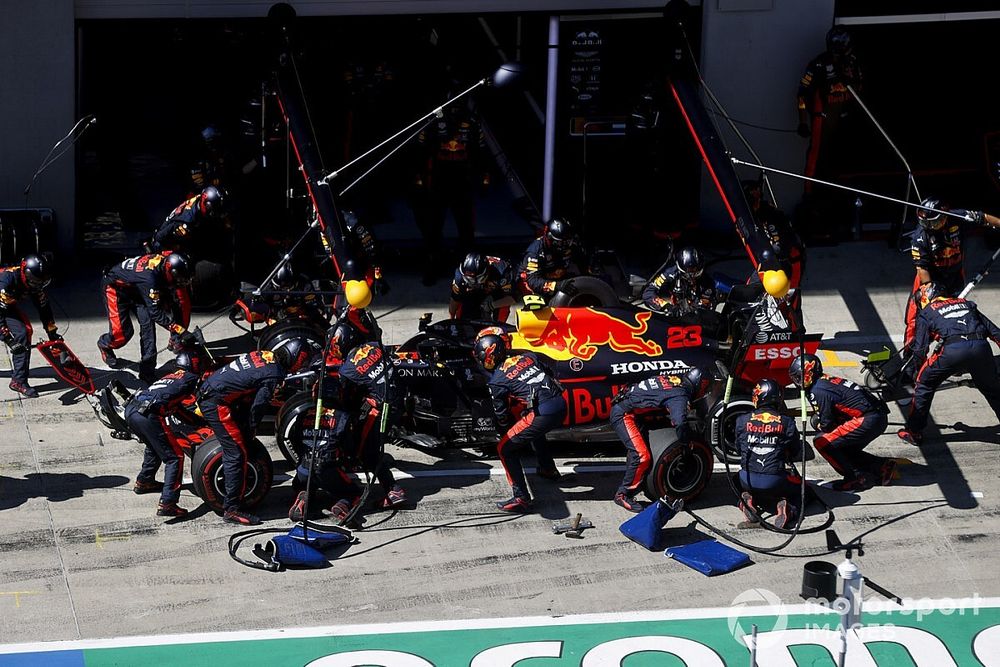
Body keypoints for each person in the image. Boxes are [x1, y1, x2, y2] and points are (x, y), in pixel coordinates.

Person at [198, 338, 313, 525]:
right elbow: (259, 406)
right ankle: (231, 509)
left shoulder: (264, 354)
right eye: (303, 361)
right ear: (296, 359)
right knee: (236, 453)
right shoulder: (273, 373)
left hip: (214, 389)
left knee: (240, 442)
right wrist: (252, 428)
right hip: (216, 402)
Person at [898, 283, 1000, 446]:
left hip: (952, 352)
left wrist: (915, 372)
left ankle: (914, 431)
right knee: (993, 390)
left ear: (926, 297)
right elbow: (995, 333)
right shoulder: (967, 304)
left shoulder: (927, 312)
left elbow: (920, 349)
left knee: (924, 384)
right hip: (981, 348)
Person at [476, 331, 566, 513]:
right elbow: (548, 372)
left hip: (544, 412)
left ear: (489, 356)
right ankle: (548, 468)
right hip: (560, 403)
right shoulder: (527, 357)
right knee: (531, 426)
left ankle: (521, 498)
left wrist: (504, 429)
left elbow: (501, 416)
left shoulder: (497, 381)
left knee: (505, 448)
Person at [609, 366, 711, 513]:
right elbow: (680, 423)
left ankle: (639, 478)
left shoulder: (673, 379)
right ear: (699, 384)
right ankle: (623, 494)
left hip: (631, 407)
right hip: (624, 414)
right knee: (641, 456)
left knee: (650, 438)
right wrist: (687, 445)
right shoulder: (679, 395)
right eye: (705, 386)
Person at [789, 353, 895, 491]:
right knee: (841, 446)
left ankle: (854, 478)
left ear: (810, 373)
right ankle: (880, 465)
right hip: (875, 416)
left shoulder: (817, 391)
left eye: (799, 378)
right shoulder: (825, 380)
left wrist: (818, 423)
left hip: (868, 419)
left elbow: (826, 424)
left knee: (823, 442)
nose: (798, 382)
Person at [903, 199, 1000, 349]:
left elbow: (983, 217)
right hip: (930, 282)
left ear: (944, 217)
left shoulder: (958, 217)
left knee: (958, 318)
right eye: (924, 223)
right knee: (915, 321)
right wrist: (931, 300)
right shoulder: (919, 238)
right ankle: (910, 358)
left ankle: (953, 353)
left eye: (932, 223)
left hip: (955, 277)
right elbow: (923, 270)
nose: (928, 227)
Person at [796, 25, 863, 241]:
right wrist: (802, 121)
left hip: (843, 120)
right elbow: (801, 94)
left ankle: (837, 202)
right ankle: (808, 199)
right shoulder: (817, 65)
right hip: (821, 120)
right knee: (814, 161)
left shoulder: (852, 64)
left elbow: (859, 88)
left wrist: (848, 81)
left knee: (838, 164)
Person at [411, 101, 490, 286]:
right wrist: (418, 178)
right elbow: (419, 149)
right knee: (433, 227)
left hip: (463, 180)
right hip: (438, 179)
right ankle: (432, 265)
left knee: (466, 228)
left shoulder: (472, 123)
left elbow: (481, 152)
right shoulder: (434, 120)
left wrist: (484, 178)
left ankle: (469, 268)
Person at [127, 350, 207, 517]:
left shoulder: (171, 377)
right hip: (148, 414)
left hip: (132, 411)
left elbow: (177, 408)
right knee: (175, 457)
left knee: (155, 446)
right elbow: (203, 399)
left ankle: (144, 481)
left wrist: (197, 422)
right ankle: (168, 503)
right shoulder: (191, 378)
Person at [97, 252, 197, 384]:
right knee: (121, 335)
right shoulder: (150, 278)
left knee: (148, 328)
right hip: (116, 289)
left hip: (138, 291)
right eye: (179, 277)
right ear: (170, 270)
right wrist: (180, 330)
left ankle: (147, 371)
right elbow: (156, 313)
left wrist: (176, 334)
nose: (181, 282)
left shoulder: (166, 260)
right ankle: (104, 344)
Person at [336, 339, 407, 517]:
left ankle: (393, 490)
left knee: (367, 451)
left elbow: (344, 400)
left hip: (384, 407)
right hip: (399, 396)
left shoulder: (347, 370)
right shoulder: (374, 345)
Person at [735, 378, 802, 529]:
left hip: (747, 479)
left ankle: (745, 501)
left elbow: (739, 449)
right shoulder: (786, 422)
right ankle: (790, 509)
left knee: (735, 481)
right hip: (775, 481)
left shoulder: (742, 420)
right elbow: (796, 451)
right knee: (802, 490)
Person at [0, 254, 60, 398]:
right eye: (35, 281)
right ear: (24, 273)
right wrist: (8, 338)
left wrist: (52, 333)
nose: (38, 285)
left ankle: (18, 381)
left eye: (41, 281)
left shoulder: (34, 283)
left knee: (23, 332)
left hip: (5, 306)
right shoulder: (5, 282)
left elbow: (44, 308)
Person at [516, 218, 592, 301]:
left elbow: (584, 263)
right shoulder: (535, 251)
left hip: (558, 278)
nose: (563, 245)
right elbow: (532, 280)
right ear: (549, 238)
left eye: (566, 240)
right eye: (559, 242)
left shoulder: (571, 245)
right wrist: (556, 286)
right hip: (534, 285)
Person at [148, 186, 226, 255]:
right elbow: (160, 237)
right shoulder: (185, 223)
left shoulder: (199, 197)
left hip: (178, 228)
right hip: (165, 245)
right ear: (206, 205)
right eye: (213, 210)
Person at [642, 247, 719, 315]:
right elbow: (648, 292)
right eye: (688, 273)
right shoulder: (670, 273)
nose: (691, 277)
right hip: (672, 303)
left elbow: (707, 305)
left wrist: (696, 309)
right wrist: (667, 306)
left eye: (695, 272)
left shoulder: (708, 282)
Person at [449, 253, 515, 322]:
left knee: (503, 308)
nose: (473, 282)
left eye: (476, 279)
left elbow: (512, 298)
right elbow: (455, 299)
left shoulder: (502, 273)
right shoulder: (460, 278)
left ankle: (499, 326)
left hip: (496, 293)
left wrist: (491, 305)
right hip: (472, 293)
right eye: (469, 279)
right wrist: (452, 320)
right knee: (462, 312)